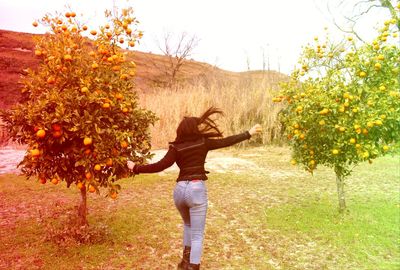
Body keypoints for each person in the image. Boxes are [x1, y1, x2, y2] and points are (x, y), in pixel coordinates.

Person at [127, 107, 262, 270]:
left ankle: (184, 263)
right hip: (196, 189)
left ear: (181, 130)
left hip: (180, 190)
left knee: (188, 225)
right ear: (194, 129)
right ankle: (192, 267)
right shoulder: (203, 143)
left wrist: (136, 168)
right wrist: (249, 133)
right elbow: (226, 141)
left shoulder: (175, 147)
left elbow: (160, 166)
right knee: (197, 235)